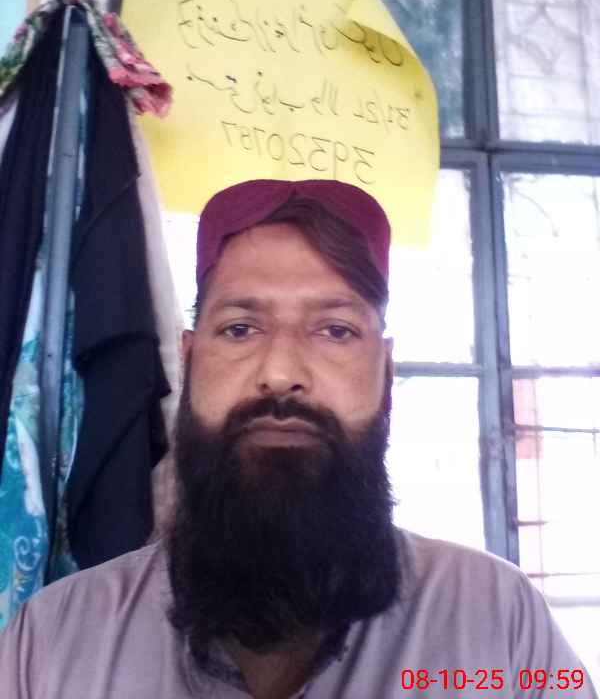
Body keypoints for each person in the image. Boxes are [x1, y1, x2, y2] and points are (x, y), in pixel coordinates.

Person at [0, 178, 596, 699]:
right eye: (239, 329)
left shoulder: (501, 625)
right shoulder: (48, 645)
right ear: (189, 359)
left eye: (335, 330)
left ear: (386, 372)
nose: (281, 373)